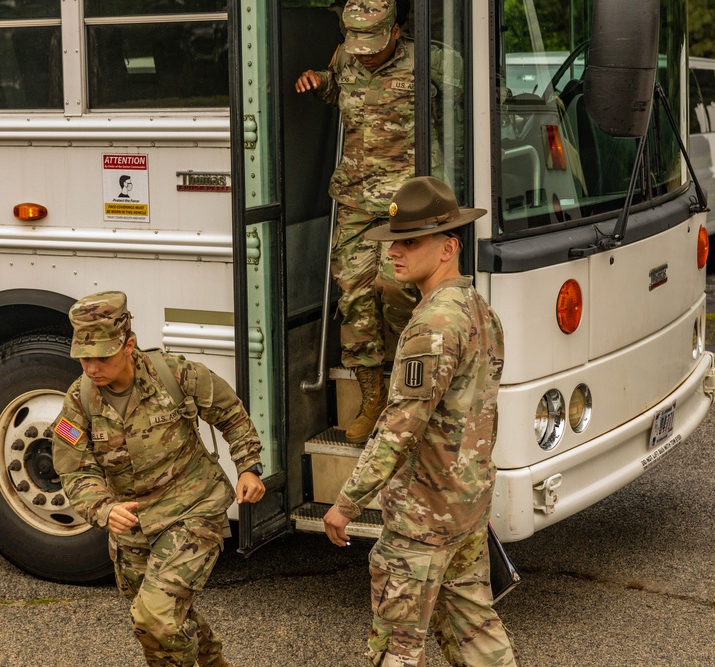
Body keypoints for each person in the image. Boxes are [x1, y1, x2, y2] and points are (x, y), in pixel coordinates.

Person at [323, 177, 520, 667]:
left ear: (449, 246)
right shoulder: (479, 311)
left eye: (410, 242)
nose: (395, 252)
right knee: (476, 631)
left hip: (423, 517)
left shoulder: (433, 325)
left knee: (396, 647)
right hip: (465, 505)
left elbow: (398, 429)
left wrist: (347, 504)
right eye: (393, 242)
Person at [51, 291, 265, 667]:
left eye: (102, 356)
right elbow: (74, 467)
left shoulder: (177, 375)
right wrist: (103, 508)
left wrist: (248, 466)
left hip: (193, 507)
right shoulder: (79, 400)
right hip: (132, 525)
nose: (92, 368)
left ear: (128, 345)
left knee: (154, 619)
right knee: (161, 618)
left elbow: (231, 414)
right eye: (84, 358)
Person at [294, 0, 421, 444]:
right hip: (353, 199)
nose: (365, 54)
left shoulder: (430, 59)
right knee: (354, 297)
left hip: (406, 203)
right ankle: (373, 398)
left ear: (397, 30)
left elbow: (474, 108)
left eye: (374, 45)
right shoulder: (345, 56)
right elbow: (339, 92)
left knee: (395, 286)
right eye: (359, 45)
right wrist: (320, 82)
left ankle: (415, 390)